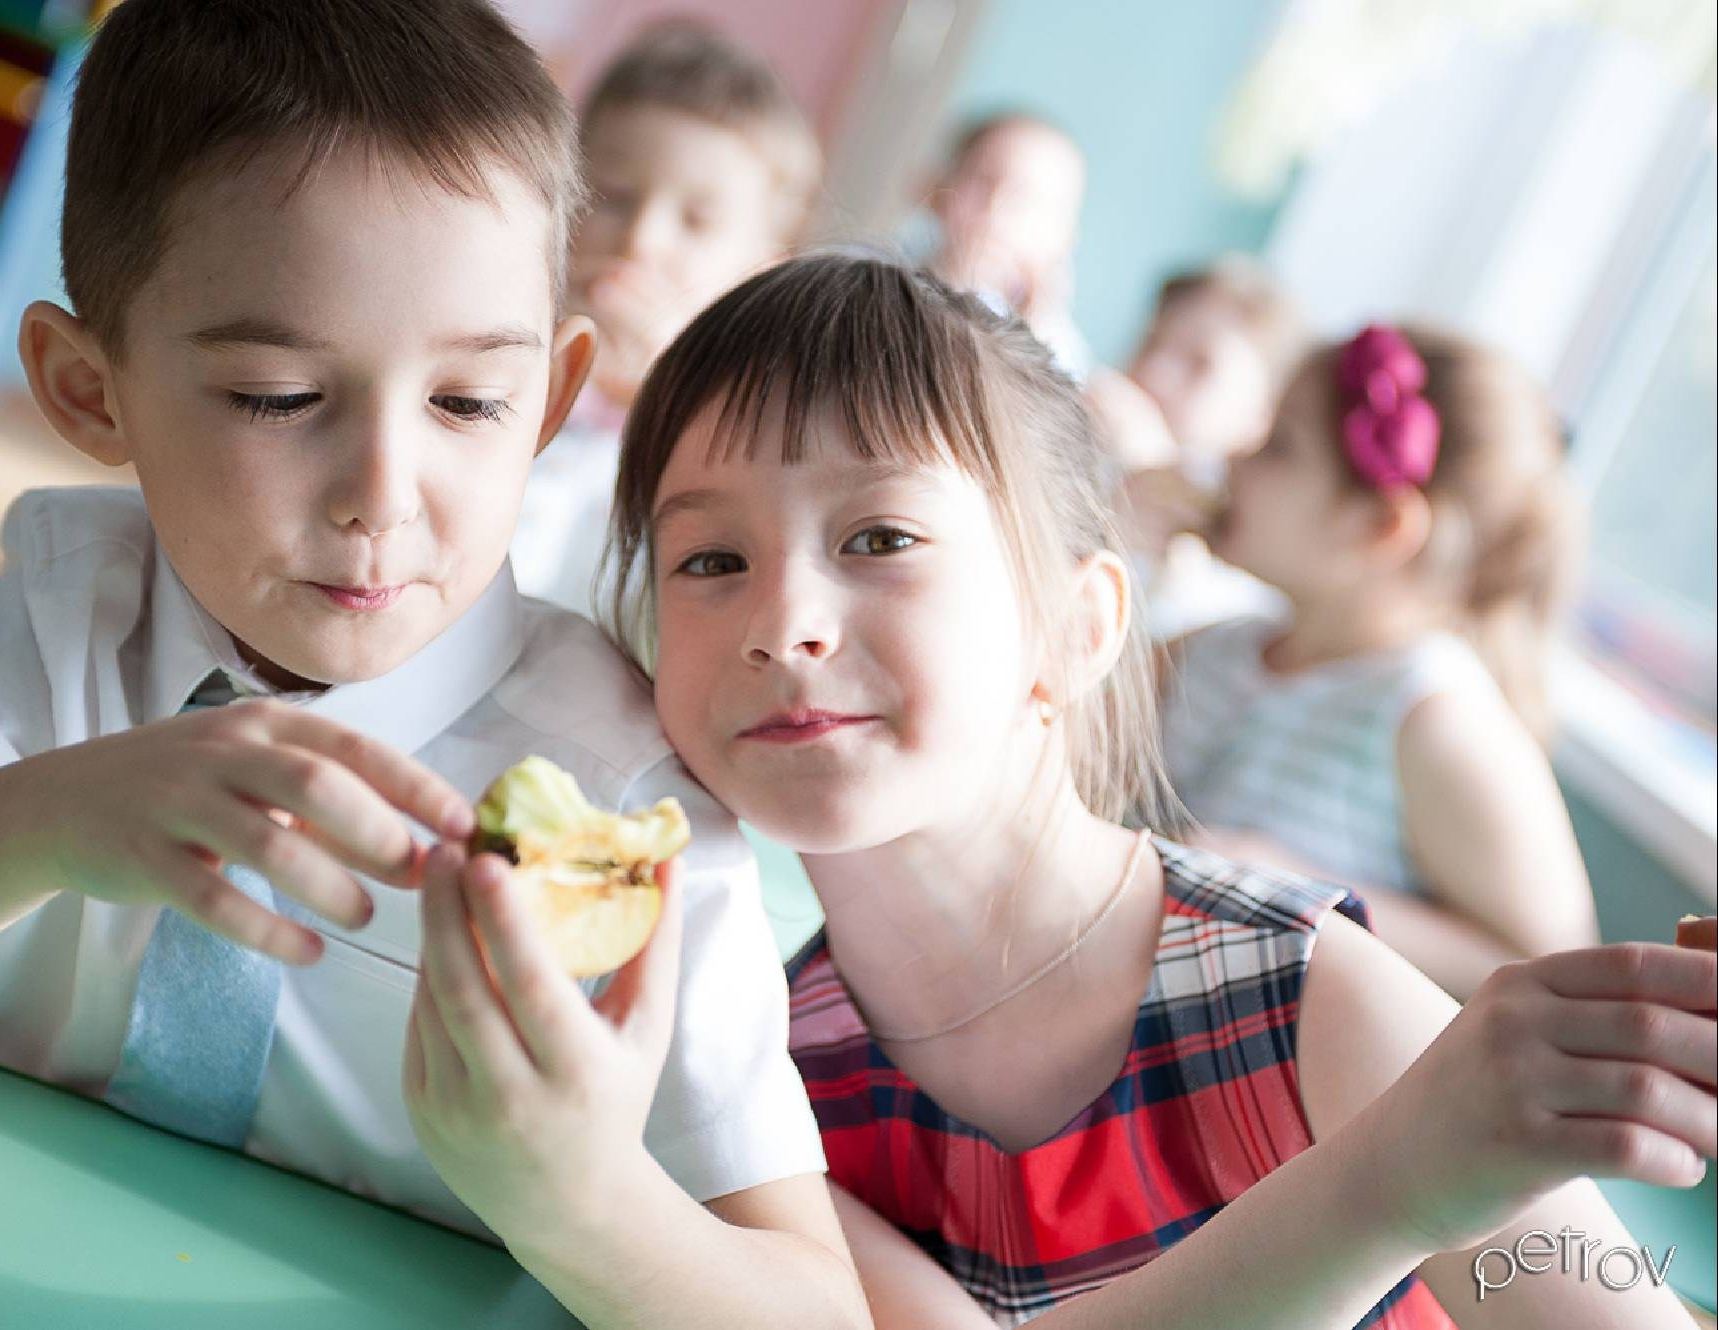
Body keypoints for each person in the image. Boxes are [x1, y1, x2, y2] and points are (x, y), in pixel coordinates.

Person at [0, 4, 869, 1326]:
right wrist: (34, 821)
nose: (382, 495)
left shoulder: (625, 806)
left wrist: (580, 1194)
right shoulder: (52, 634)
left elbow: (811, 1310)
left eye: (466, 402)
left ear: (551, 401)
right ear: (92, 391)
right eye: (278, 395)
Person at [593, 251, 1714, 1328]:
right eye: (710, 560)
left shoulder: (1316, 995)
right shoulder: (761, 1065)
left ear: (1077, 628)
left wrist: (1409, 1179)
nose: (782, 623)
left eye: (877, 535)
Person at [1162, 324, 1597, 998]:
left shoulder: (1435, 718)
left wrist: (1302, 894)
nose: (1235, 459)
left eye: (1279, 445)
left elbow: (1557, 977)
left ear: (1378, 526)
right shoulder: (1214, 649)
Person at [511, 22, 819, 617]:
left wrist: (665, 401)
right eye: (615, 195)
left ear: (763, 273)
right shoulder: (490, 348)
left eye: (696, 221)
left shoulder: (753, 438)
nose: (641, 238)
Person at [1093, 257, 1309, 637]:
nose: (1155, 371)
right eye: (1151, 343)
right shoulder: (1087, 432)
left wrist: (1152, 471)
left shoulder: (1249, 543)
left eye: (1199, 364)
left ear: (1263, 415)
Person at [918, 110, 1090, 377]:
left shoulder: (1056, 339)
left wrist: (1039, 324)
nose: (995, 206)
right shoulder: (887, 271)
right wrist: (950, 283)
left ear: (1065, 238)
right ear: (938, 190)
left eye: (1025, 198)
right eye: (983, 181)